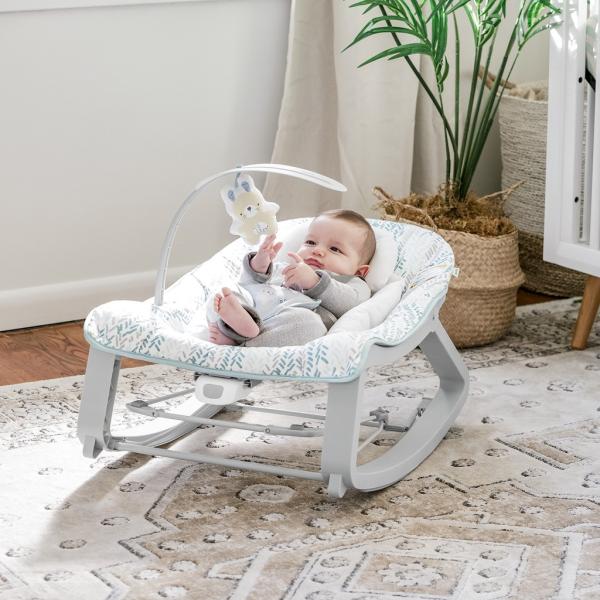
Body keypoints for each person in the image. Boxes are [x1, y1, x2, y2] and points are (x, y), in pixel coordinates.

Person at [207, 209, 376, 347]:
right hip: (251, 308)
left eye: (335, 249)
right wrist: (260, 264)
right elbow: (248, 283)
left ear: (360, 271)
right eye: (311, 242)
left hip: (284, 324)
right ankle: (233, 328)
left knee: (310, 326)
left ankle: (242, 343)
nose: (317, 250)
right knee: (224, 293)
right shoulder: (284, 267)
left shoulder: (353, 283)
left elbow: (351, 305)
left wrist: (315, 282)